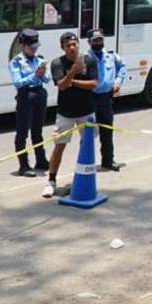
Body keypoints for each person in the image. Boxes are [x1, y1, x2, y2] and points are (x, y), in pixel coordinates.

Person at [43, 31, 97, 198]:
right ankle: (51, 181)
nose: (72, 48)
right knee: (59, 146)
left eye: (74, 44)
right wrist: (73, 71)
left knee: (87, 146)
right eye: (68, 46)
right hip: (65, 113)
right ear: (63, 48)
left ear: (78, 44)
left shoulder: (89, 60)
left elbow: (93, 84)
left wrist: (72, 81)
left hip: (86, 112)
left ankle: (80, 178)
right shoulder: (58, 63)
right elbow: (62, 86)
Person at [8, 28, 50, 177]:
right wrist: (34, 75)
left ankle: (41, 160)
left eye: (36, 47)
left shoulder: (39, 59)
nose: (34, 50)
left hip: (40, 94)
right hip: (26, 96)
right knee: (22, 132)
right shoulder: (16, 62)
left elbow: (47, 79)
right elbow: (18, 83)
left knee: (37, 130)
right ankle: (23, 165)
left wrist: (43, 73)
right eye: (31, 47)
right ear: (22, 45)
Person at [87, 29, 126, 172]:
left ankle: (108, 160)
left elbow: (122, 68)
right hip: (90, 98)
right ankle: (87, 162)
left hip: (105, 97)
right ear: (89, 41)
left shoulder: (111, 55)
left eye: (100, 40)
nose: (98, 42)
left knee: (107, 130)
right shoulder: (85, 57)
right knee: (89, 132)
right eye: (95, 40)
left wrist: (118, 81)